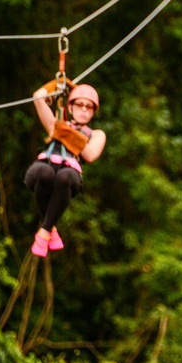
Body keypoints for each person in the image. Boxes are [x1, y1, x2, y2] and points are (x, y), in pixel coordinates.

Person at [24, 79, 106, 257]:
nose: (83, 110)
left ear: (93, 112)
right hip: (45, 165)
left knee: (65, 176)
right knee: (43, 172)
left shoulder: (96, 134)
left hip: (69, 174)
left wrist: (66, 132)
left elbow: (90, 154)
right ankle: (49, 230)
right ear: (70, 107)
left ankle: (44, 231)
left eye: (89, 107)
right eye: (79, 105)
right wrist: (58, 82)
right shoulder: (56, 126)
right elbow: (38, 97)